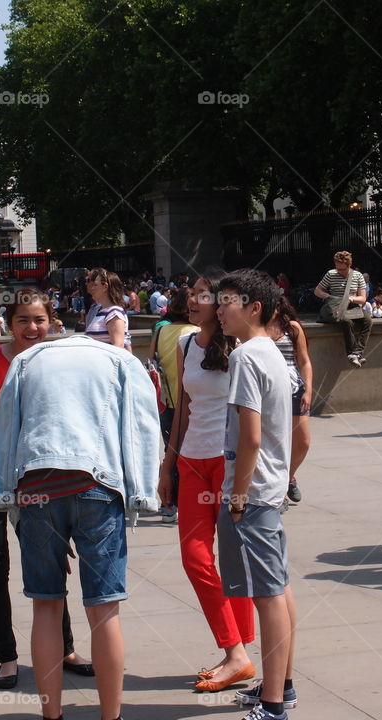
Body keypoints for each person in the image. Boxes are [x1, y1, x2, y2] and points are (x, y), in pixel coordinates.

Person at [0, 333, 160, 720]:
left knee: (45, 606)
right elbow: (141, 427)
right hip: (96, 484)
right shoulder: (119, 361)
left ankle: (53, 715)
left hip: (36, 487)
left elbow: (5, 428)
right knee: (104, 610)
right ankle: (110, 716)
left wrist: (1, 494)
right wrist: (142, 493)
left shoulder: (28, 360)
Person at [0, 288, 93, 690]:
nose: (32, 327)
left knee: (50, 565)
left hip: (36, 476)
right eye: (23, 320)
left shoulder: (55, 363)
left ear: (52, 322)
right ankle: (7, 658)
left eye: (39, 319)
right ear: (9, 323)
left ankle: (63, 648)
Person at [157, 269, 256, 693]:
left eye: (201, 294)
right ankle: (236, 650)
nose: (191, 300)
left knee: (235, 563)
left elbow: (255, 412)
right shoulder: (183, 344)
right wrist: (168, 464)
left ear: (222, 303)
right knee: (196, 558)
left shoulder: (242, 346)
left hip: (228, 462)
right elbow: (182, 409)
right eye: (191, 293)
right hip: (192, 462)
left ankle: (239, 654)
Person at [215, 269, 297, 720]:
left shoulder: (247, 357)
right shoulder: (271, 352)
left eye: (227, 301)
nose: (219, 308)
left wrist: (238, 495)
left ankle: (273, 705)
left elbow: (250, 437)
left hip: (253, 494)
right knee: (278, 589)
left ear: (254, 309)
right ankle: (280, 686)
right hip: (270, 489)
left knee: (266, 596)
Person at [148, 287, 198, 523]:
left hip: (167, 400)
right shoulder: (196, 331)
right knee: (189, 456)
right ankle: (188, 501)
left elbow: (151, 362)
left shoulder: (162, 331)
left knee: (171, 451)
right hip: (193, 403)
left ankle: (169, 504)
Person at [269, 295, 313, 504]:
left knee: (302, 441)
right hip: (269, 392)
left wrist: (309, 390)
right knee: (276, 443)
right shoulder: (255, 329)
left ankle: (288, 477)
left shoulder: (292, 328)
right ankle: (279, 489)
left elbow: (304, 361)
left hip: (295, 388)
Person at [314, 250, 371, 368]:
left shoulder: (358, 276)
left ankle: (357, 352)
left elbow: (363, 298)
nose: (339, 272)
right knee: (346, 321)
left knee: (368, 320)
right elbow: (317, 291)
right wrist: (329, 297)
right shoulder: (330, 274)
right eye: (337, 269)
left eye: (342, 269)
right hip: (337, 306)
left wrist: (351, 299)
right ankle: (351, 354)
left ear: (349, 265)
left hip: (352, 306)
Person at [85, 267, 130, 349]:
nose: (92, 288)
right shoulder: (102, 312)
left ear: (105, 286)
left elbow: (118, 346)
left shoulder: (114, 313)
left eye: (95, 285)